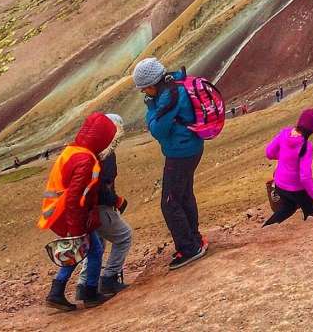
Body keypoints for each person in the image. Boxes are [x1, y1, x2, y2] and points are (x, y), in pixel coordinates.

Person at [135, 57, 208, 271]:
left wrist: (150, 108)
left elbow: (157, 129)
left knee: (169, 202)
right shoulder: (174, 88)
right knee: (184, 195)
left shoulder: (169, 97)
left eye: (143, 90)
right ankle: (194, 239)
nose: (144, 94)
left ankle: (189, 248)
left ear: (151, 85)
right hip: (190, 147)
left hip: (180, 153)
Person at [40, 112, 117, 311]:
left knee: (79, 250)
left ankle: (57, 292)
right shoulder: (86, 159)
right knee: (93, 249)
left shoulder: (73, 151)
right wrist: (76, 229)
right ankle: (89, 292)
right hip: (69, 214)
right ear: (102, 138)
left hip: (60, 211)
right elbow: (75, 197)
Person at [74, 114, 134, 297]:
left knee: (97, 242)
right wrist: (115, 200)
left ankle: (84, 285)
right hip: (99, 207)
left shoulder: (87, 149)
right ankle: (109, 278)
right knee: (124, 236)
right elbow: (101, 185)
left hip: (86, 208)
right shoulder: (106, 154)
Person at [264, 109, 313, 225]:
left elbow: (269, 153)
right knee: (310, 209)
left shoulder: (284, 133)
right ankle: (309, 235)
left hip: (279, 185)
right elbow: (305, 177)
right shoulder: (306, 147)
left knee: (288, 207)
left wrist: (285, 157)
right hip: (296, 190)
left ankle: (266, 228)